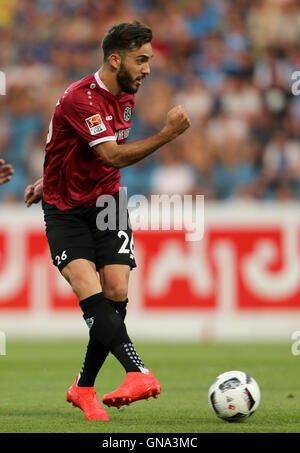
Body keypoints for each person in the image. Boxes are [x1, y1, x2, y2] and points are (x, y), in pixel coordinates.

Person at [24, 20, 190, 421]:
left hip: (108, 202)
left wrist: (48, 177)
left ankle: (83, 387)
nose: (147, 69)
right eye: (141, 60)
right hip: (66, 212)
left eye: (148, 60)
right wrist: (168, 134)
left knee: (116, 291)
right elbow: (113, 155)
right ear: (115, 59)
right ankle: (137, 370)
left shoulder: (126, 93)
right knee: (88, 287)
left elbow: (69, 145)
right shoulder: (82, 98)